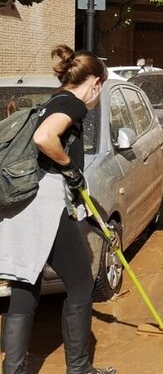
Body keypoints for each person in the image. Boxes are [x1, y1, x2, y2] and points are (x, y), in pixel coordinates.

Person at [0, 45, 115, 374]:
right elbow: (44, 138)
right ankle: (79, 369)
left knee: (25, 283)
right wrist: (71, 168)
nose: (97, 98)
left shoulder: (51, 101)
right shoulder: (72, 104)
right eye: (100, 90)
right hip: (45, 205)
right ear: (93, 82)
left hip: (23, 204)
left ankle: (15, 370)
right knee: (80, 281)